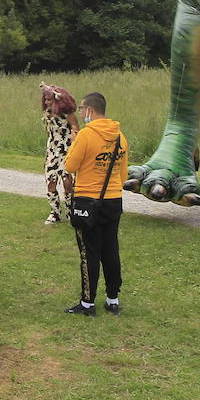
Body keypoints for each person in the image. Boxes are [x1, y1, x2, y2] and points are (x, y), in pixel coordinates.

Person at [62, 92, 130, 317]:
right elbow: (122, 175)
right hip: (113, 200)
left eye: (81, 109)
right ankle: (113, 299)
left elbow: (70, 166)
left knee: (89, 251)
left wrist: (73, 144)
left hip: (87, 201)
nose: (80, 113)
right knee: (111, 249)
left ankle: (88, 303)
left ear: (90, 110)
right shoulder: (120, 136)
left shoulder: (85, 135)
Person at [40, 82, 80, 225]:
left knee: (67, 181)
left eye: (49, 99)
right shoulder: (47, 113)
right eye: (45, 99)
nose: (46, 102)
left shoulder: (66, 113)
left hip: (66, 149)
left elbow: (76, 127)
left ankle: (70, 211)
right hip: (52, 150)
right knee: (51, 181)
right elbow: (49, 132)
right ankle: (55, 212)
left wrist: (74, 138)